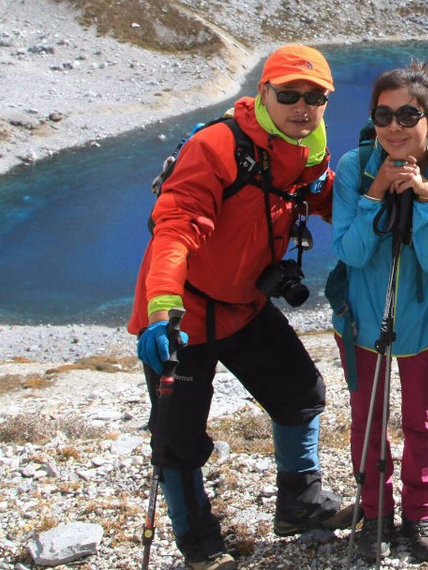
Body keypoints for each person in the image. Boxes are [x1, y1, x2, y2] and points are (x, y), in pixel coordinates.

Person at [129, 44, 353, 570]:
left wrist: (385, 192)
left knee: (301, 392)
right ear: (264, 92)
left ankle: (299, 504)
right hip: (183, 312)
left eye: (315, 96)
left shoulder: (308, 145)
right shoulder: (216, 147)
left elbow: (322, 198)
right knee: (178, 438)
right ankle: (201, 546)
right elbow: (176, 225)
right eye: (290, 94)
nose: (303, 105)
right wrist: (161, 308)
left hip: (245, 304)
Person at [330, 63, 428, 562]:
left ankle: (420, 512)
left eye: (408, 114)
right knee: (366, 421)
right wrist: (374, 195)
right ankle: (374, 513)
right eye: (383, 114)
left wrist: (426, 197)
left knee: (421, 421)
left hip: (425, 320)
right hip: (361, 322)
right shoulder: (355, 167)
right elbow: (349, 255)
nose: (393, 127)